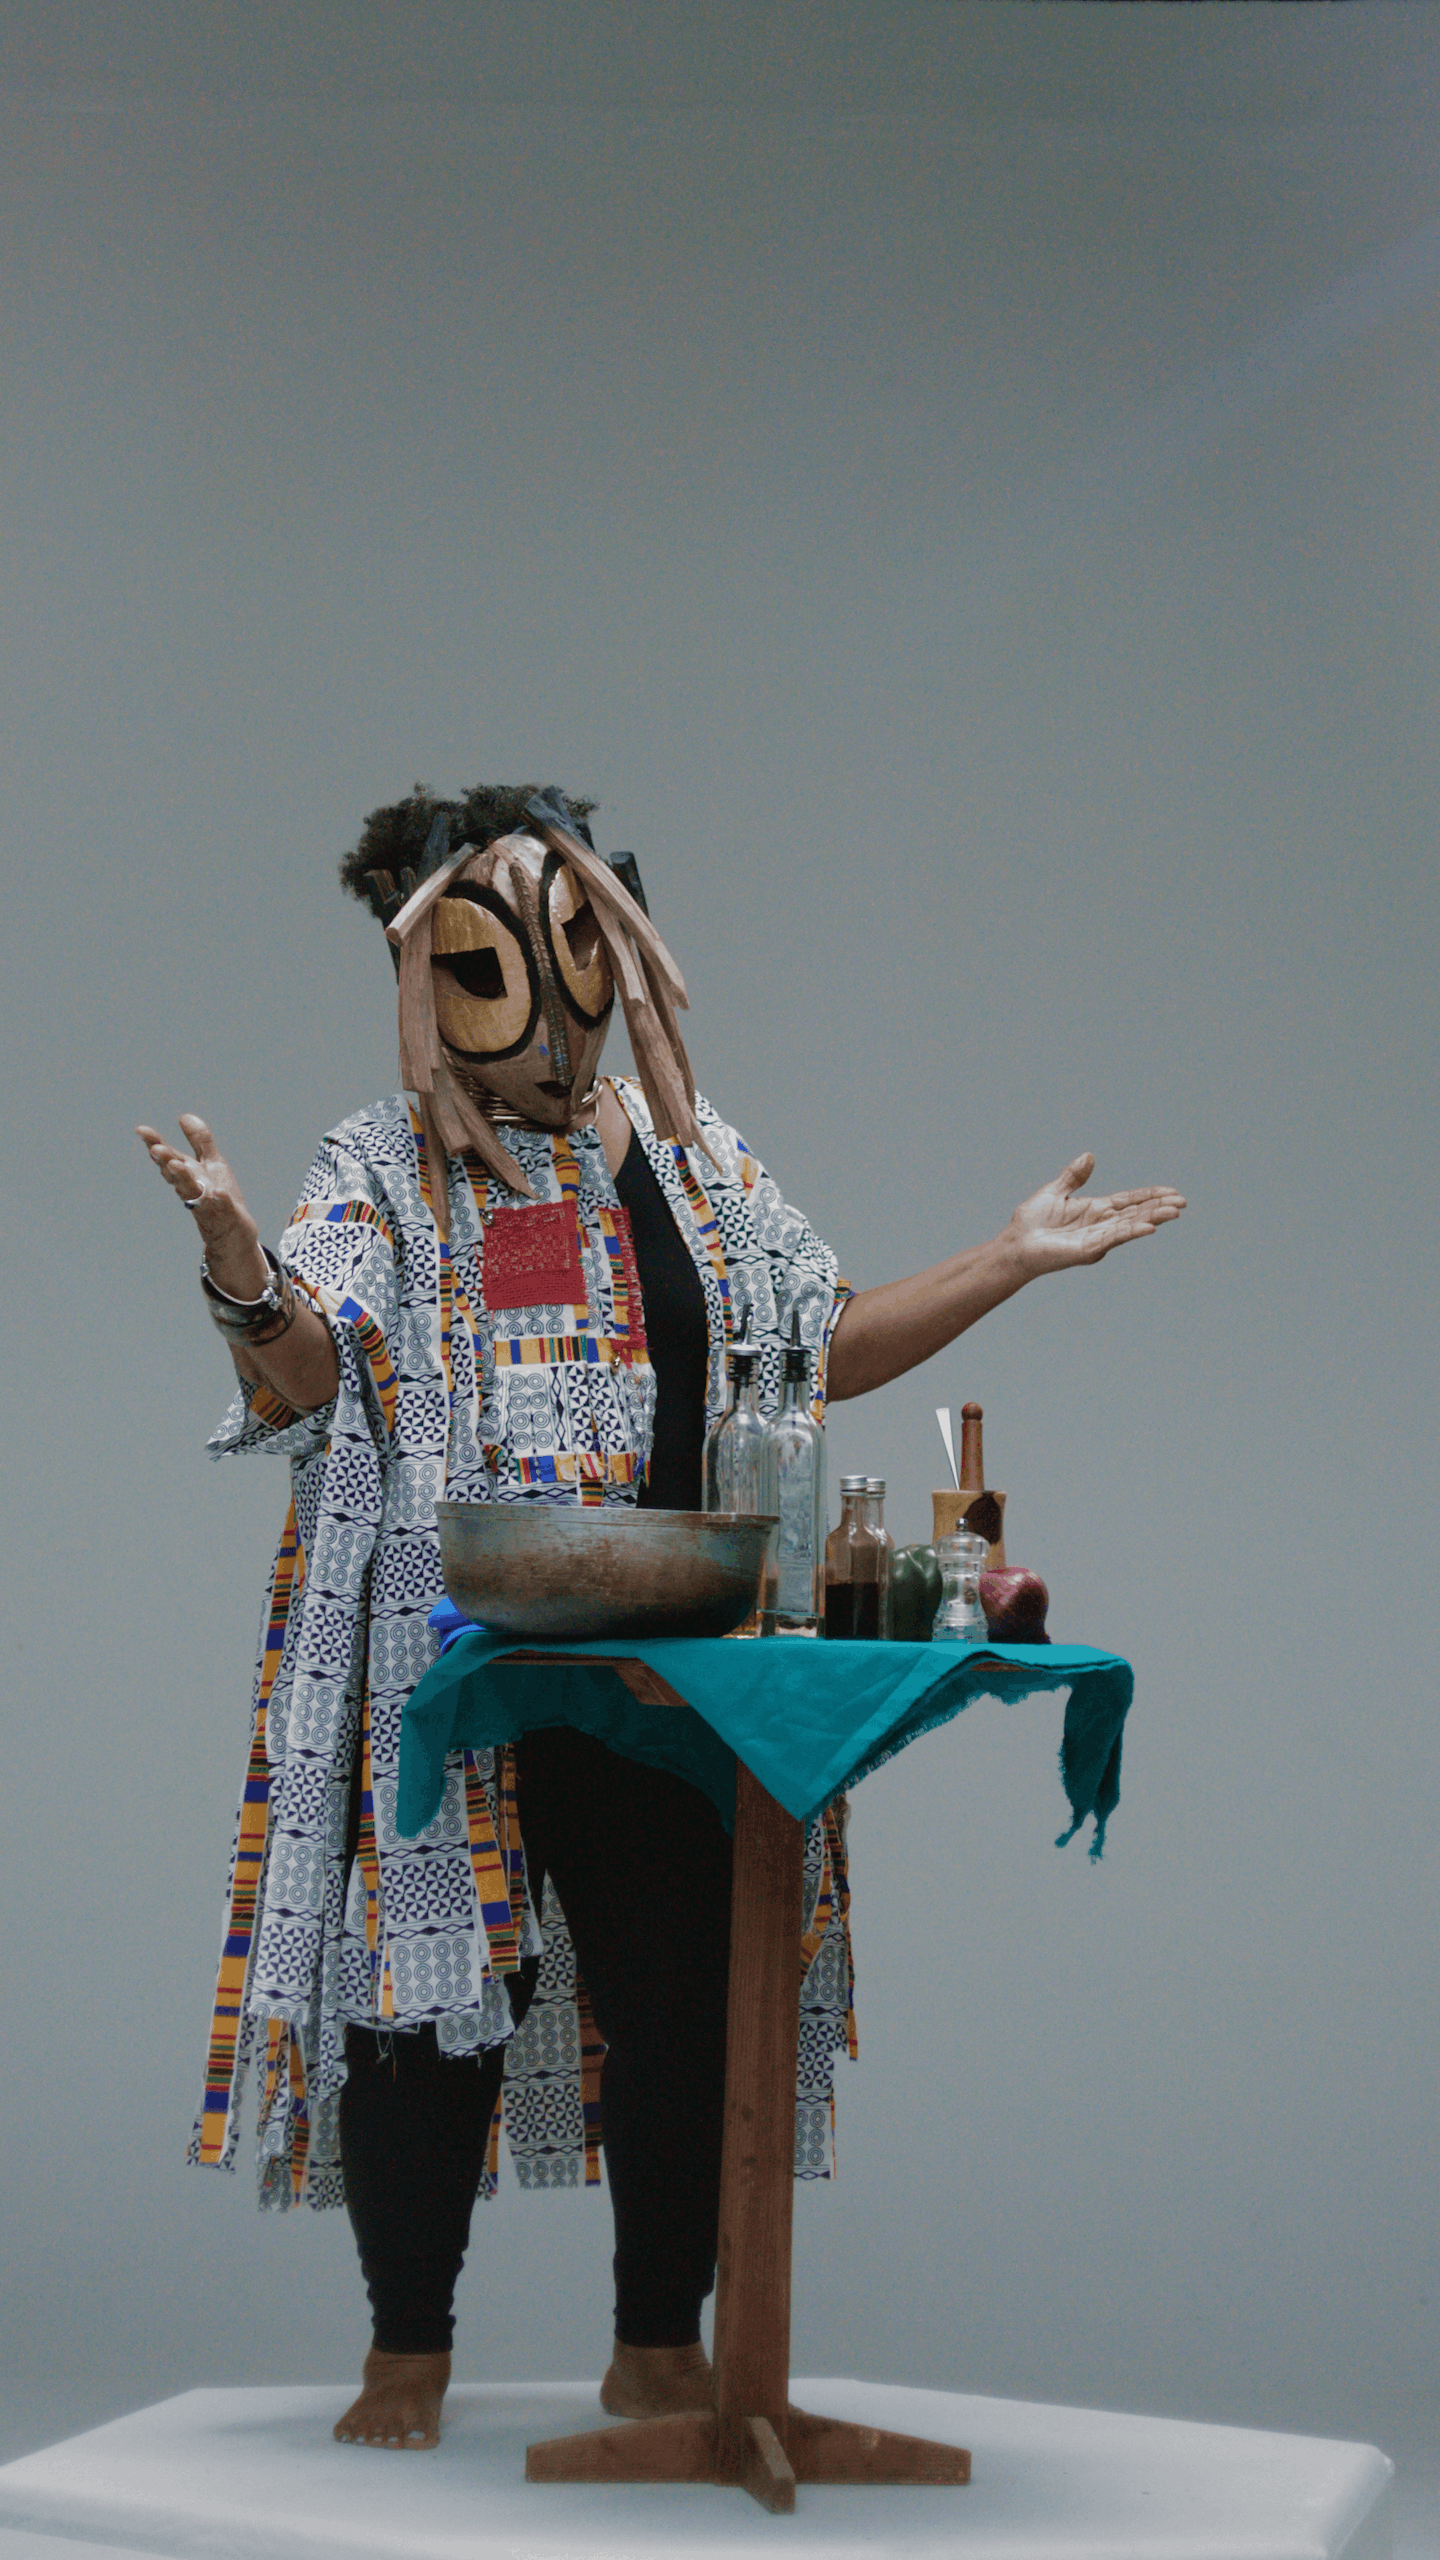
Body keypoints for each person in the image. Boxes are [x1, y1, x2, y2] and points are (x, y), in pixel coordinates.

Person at [138, 783, 1184, 2452]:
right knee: (433, 1990)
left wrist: (1006, 1258)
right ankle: (407, 2351)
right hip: (458, 1644)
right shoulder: (385, 1167)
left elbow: (818, 1343)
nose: (545, 1014)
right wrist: (240, 1269)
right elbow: (312, 1364)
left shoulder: (696, 1158)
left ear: (612, 945)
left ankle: (658, 2344)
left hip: (677, 1648)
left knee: (693, 1987)